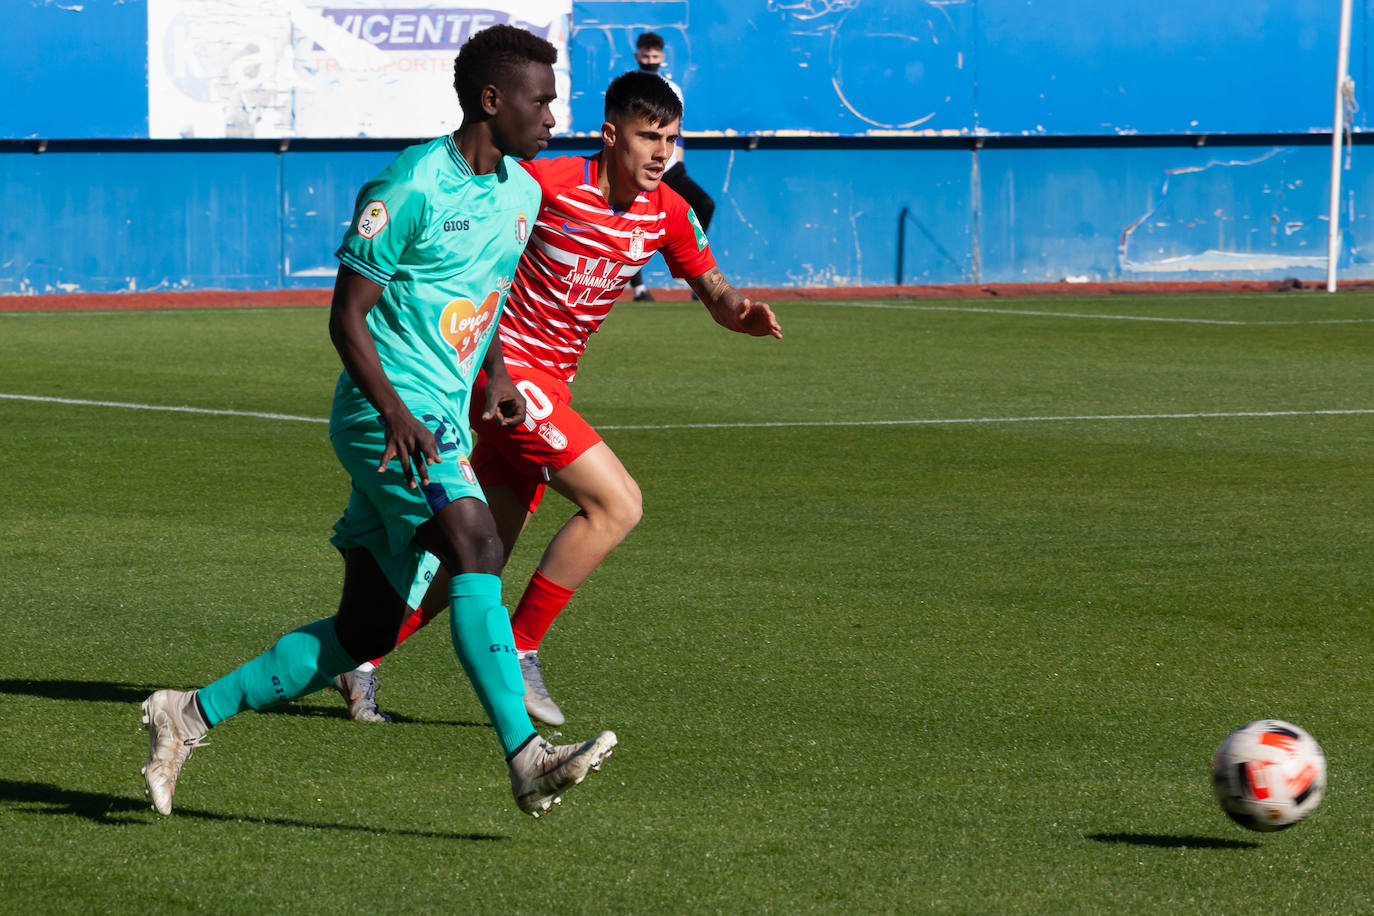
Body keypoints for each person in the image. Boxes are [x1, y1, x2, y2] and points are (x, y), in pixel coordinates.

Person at [138, 24, 616, 820]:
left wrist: (494, 374)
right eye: (541, 99)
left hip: (443, 417)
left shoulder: (522, 194)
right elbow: (345, 318)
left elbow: (487, 293)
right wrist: (394, 411)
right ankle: (527, 760)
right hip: (382, 413)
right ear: (492, 100)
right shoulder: (409, 186)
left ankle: (184, 714)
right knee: (476, 542)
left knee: (365, 629)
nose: (554, 114)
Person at [332, 69, 781, 726]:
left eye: (671, 140)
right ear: (609, 134)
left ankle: (359, 656)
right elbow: (472, 220)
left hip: (547, 387)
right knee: (617, 503)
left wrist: (739, 311)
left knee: (473, 559)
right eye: (647, 136)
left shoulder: (669, 214)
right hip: (504, 377)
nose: (661, 153)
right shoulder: (547, 183)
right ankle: (520, 648)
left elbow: (712, 288)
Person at [626, 31, 717, 303]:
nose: (650, 60)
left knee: (705, 204)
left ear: (662, 57)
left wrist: (676, 160)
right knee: (633, 225)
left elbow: (679, 130)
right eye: (646, 56)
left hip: (670, 168)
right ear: (637, 56)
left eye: (655, 56)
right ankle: (638, 288)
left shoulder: (673, 88)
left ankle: (696, 278)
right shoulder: (628, 87)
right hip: (639, 168)